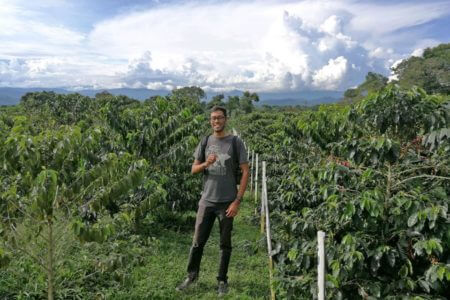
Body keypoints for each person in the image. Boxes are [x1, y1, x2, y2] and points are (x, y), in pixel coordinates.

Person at [176, 106, 249, 296]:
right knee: (198, 241)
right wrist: (205, 164)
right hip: (207, 200)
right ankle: (191, 276)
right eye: (213, 118)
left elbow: (246, 171)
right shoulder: (205, 141)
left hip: (227, 202)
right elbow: (193, 169)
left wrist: (237, 201)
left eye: (219, 118)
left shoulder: (235, 142)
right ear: (210, 121)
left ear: (226, 119)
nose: (216, 121)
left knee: (225, 243)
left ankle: (222, 280)